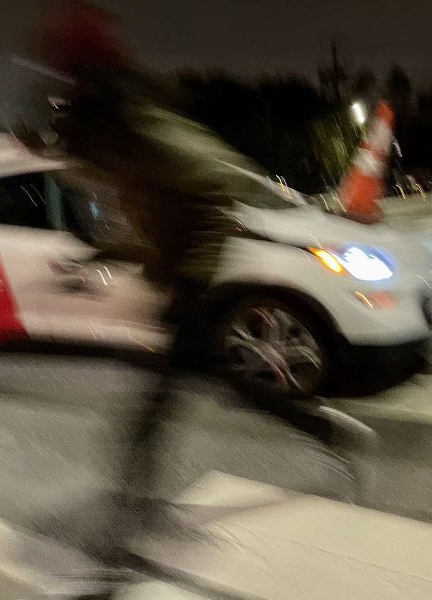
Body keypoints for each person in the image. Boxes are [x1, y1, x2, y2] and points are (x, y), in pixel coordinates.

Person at [34, 0, 376, 565]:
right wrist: (109, 249)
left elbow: (216, 186)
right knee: (227, 381)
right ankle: (324, 430)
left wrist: (192, 280)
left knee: (153, 405)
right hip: (180, 282)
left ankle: (125, 525)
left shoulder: (142, 126)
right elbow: (150, 218)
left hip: (194, 285)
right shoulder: (119, 136)